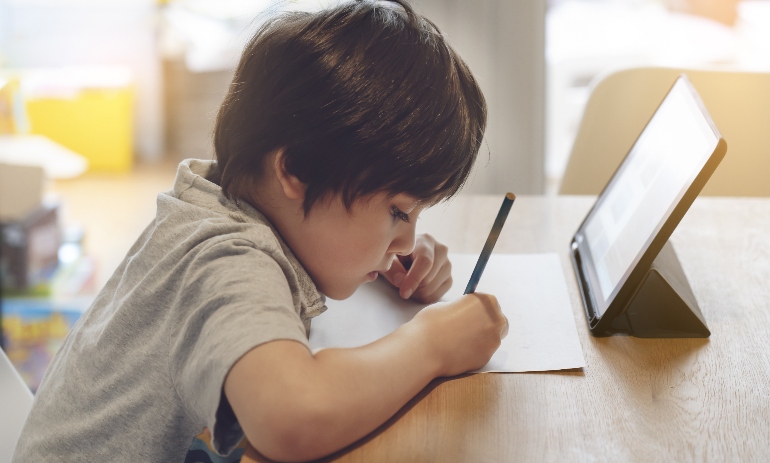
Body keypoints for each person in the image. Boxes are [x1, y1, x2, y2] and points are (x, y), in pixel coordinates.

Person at [13, 1, 508, 461]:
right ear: (298, 171)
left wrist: (386, 255)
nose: (406, 240)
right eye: (398, 213)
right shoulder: (224, 257)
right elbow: (293, 416)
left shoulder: (226, 204)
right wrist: (432, 345)